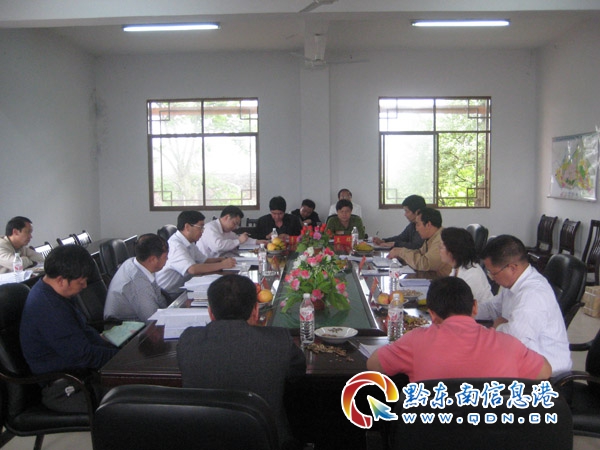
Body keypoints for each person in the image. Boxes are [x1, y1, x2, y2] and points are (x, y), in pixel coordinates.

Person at [177, 274, 306, 448]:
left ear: (210, 312)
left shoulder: (188, 339)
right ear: (256, 310)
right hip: (267, 442)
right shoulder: (278, 340)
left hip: (203, 442)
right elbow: (297, 374)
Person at [367, 277, 552, 381]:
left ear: (432, 314)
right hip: (494, 434)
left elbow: (373, 364)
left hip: (431, 433)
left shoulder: (415, 342)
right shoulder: (509, 344)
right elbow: (545, 371)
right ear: (475, 307)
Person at [19, 245, 119, 412]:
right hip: (65, 388)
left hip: (81, 374)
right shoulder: (49, 308)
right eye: (81, 281)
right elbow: (84, 355)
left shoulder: (55, 292)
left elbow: (85, 331)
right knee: (130, 399)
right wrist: (122, 359)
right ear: (61, 280)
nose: (85, 285)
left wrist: (116, 351)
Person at [475, 234, 572, 374]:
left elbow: (513, 340)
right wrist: (463, 311)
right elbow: (492, 308)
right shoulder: (513, 285)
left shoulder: (533, 294)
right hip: (524, 361)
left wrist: (498, 326)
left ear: (512, 268)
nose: (492, 278)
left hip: (547, 375)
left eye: (493, 273)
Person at [155, 211, 236, 299]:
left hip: (184, 288)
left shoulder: (189, 242)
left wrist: (221, 259)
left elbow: (204, 260)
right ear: (187, 227)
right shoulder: (176, 245)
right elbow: (192, 269)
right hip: (170, 295)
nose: (202, 231)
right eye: (200, 227)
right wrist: (222, 265)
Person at [104, 233, 170, 322]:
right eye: (165, 256)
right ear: (153, 259)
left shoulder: (133, 262)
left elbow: (160, 301)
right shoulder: (137, 283)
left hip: (140, 320)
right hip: (127, 327)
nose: (167, 259)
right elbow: (153, 319)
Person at [387, 207, 452, 277]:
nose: (416, 229)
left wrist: (401, 252)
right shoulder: (431, 238)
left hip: (443, 281)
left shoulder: (441, 239)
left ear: (428, 225)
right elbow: (420, 253)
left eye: (418, 225)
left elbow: (425, 264)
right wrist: (401, 255)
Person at [440, 227, 494, 303]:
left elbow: (461, 305)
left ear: (453, 250)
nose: (439, 250)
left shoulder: (472, 275)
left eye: (441, 247)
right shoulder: (457, 268)